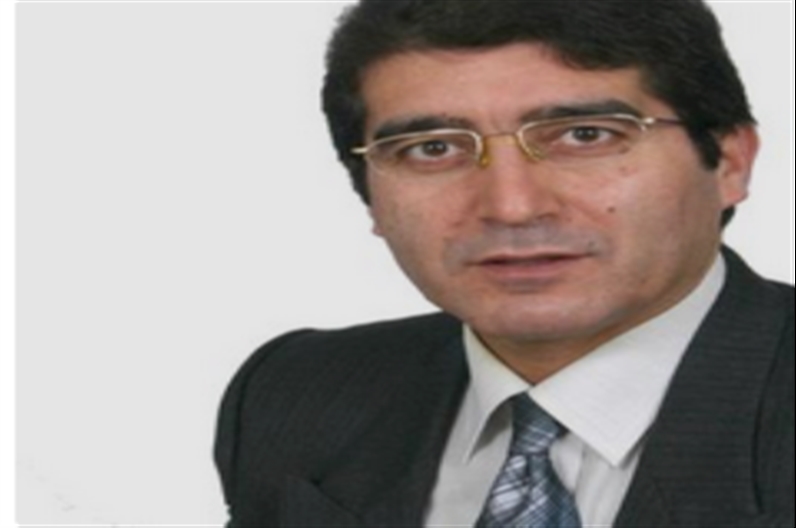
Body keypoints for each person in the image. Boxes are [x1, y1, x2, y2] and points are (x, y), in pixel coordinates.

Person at [214, 1, 794, 526]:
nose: (512, 207)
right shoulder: (298, 393)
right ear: (368, 193)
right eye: (433, 148)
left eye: (584, 136)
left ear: (729, 162)